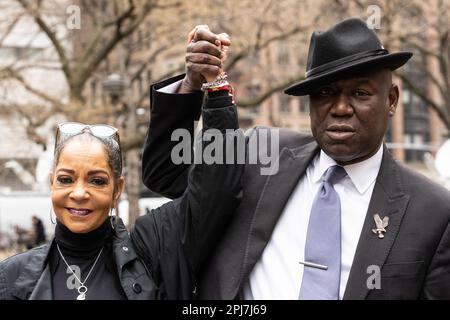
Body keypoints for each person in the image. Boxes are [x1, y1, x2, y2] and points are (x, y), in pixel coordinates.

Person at [141, 18, 450, 299]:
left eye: (360, 93)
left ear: (392, 100)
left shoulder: (435, 212)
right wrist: (192, 85)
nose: (340, 108)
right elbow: (167, 175)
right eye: (326, 92)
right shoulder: (260, 155)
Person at [0, 77, 243, 299]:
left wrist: (214, 89)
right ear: (51, 182)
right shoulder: (11, 277)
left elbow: (216, 193)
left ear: (118, 189)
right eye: (66, 179)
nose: (79, 193)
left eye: (97, 181)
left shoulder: (152, 251)